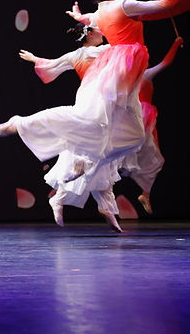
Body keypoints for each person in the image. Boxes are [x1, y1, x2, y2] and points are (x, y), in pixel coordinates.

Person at [0, 0, 190, 232]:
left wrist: (78, 15)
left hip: (128, 75)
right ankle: (20, 123)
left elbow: (91, 19)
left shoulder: (102, 12)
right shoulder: (122, 4)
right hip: (118, 68)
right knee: (88, 119)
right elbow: (166, 3)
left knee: (135, 135)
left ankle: (87, 163)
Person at [17, 23, 118, 228]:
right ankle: (68, 198)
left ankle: (81, 200)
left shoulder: (75, 55)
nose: (102, 32)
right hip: (96, 104)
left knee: (97, 152)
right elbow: (123, 45)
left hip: (92, 103)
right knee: (97, 151)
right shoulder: (103, 50)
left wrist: (35, 59)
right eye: (98, 29)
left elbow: (52, 64)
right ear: (89, 34)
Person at [126, 36, 183, 215]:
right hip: (141, 118)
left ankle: (145, 194)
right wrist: (176, 43)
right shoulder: (144, 74)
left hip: (136, 118)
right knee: (153, 158)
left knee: (152, 158)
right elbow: (166, 62)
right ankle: (144, 193)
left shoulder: (128, 78)